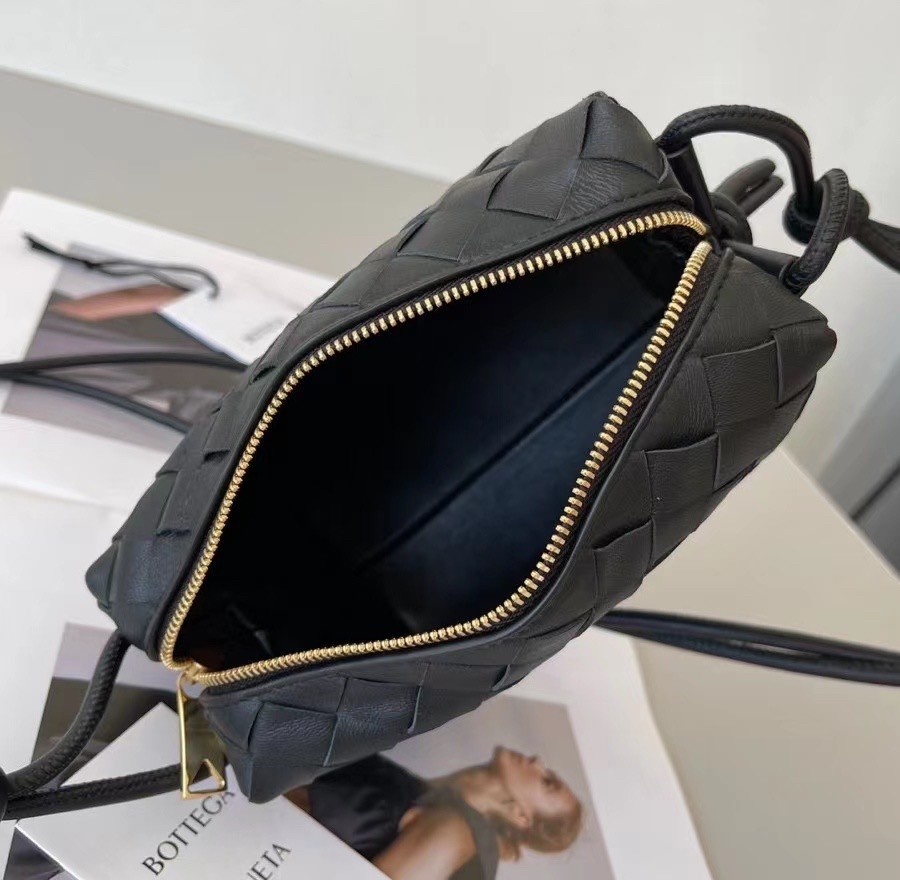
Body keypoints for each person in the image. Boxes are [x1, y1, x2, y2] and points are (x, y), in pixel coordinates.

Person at [286, 746, 583, 880]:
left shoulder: (459, 833)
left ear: (521, 816)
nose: (538, 762)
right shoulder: (431, 798)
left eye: (548, 782)